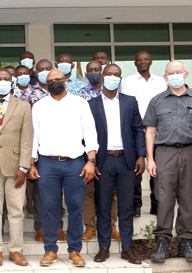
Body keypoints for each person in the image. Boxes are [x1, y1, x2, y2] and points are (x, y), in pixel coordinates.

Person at [28, 69, 98, 267]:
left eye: (58, 79)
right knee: (49, 208)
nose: (55, 82)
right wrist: (32, 163)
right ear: (46, 83)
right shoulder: (39, 106)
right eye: (51, 80)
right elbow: (34, 135)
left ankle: (74, 250)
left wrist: (91, 161)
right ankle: (50, 250)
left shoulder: (79, 103)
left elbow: (90, 133)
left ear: (65, 81)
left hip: (75, 162)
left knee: (75, 207)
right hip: (47, 163)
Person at [87, 64, 144, 265]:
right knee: (103, 206)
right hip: (103, 161)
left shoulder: (130, 102)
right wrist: (90, 161)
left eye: (116, 75)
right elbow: (87, 134)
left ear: (121, 78)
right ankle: (104, 248)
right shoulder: (91, 104)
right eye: (109, 74)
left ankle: (127, 249)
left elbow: (138, 129)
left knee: (126, 207)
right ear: (102, 76)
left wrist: (141, 155)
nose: (113, 77)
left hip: (127, 160)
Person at [145, 60, 192, 264]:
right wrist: (150, 159)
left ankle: (186, 241)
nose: (175, 75)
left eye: (179, 72)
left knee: (188, 199)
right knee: (164, 198)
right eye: (171, 73)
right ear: (166, 77)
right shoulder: (157, 100)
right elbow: (150, 131)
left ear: (186, 74)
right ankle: (163, 241)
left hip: (191, 152)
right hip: (165, 153)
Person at [0, 69, 33, 267]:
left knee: (16, 211)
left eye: (6, 79)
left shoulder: (24, 106)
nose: (2, 82)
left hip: (15, 168)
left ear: (12, 82)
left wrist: (24, 167)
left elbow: (27, 139)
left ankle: (15, 250)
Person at [75, 61, 120, 241]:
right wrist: (90, 157)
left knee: (112, 191)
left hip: (111, 151)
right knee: (87, 190)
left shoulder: (117, 98)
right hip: (89, 152)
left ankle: (111, 226)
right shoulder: (85, 101)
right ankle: (90, 227)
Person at [120, 51, 167, 217]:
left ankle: (156, 205)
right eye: (139, 59)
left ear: (151, 61)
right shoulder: (128, 82)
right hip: (137, 130)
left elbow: (164, 105)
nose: (142, 62)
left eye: (146, 59)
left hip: (158, 130)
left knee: (157, 170)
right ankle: (135, 206)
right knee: (136, 169)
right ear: (135, 63)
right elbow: (127, 107)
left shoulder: (160, 82)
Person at [27, 60, 66, 242]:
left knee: (59, 194)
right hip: (43, 154)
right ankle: (41, 227)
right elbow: (32, 131)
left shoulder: (71, 99)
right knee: (41, 194)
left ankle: (58, 227)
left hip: (66, 153)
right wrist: (31, 160)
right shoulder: (33, 98)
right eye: (41, 70)